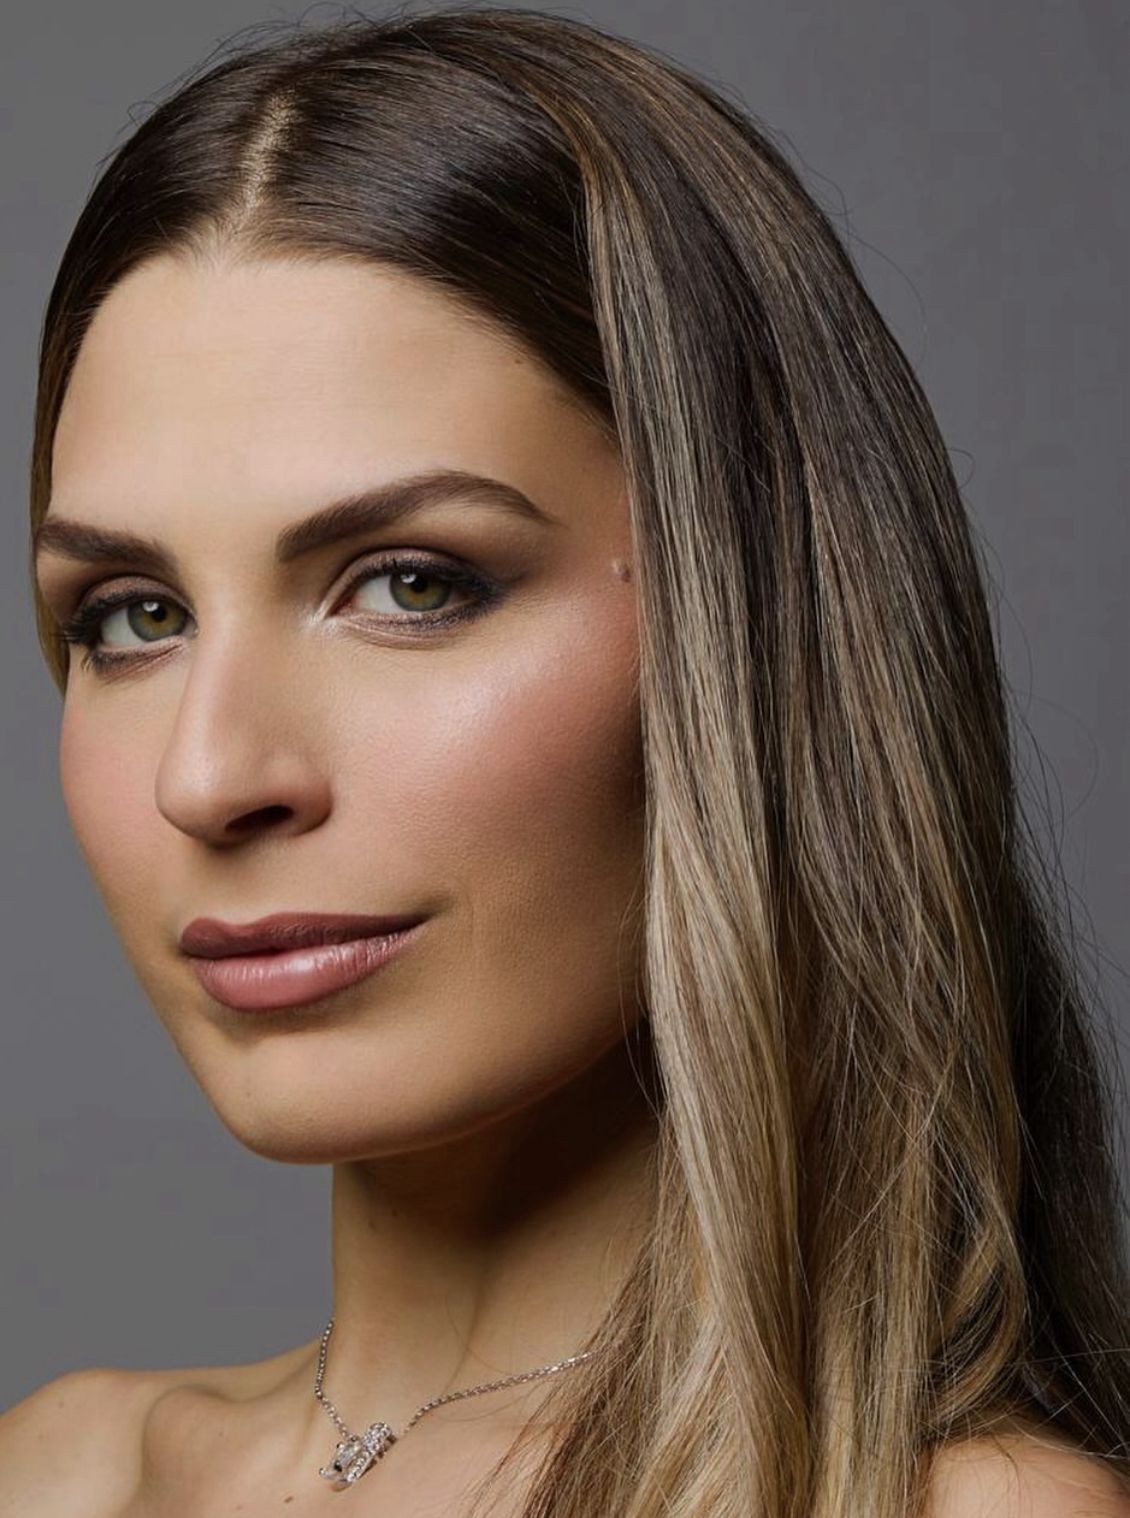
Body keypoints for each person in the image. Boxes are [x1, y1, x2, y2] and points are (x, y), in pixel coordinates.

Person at [3, 7, 1128, 1516]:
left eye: (412, 584)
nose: (207, 778)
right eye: (135, 616)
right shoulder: (56, 1475)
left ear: (752, 635)